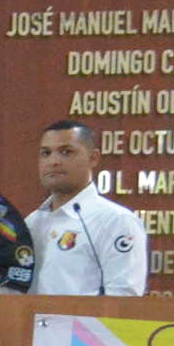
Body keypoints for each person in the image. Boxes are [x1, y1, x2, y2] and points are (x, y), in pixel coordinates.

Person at [29, 119, 148, 297]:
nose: (53, 161)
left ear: (93, 158)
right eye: (46, 153)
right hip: (27, 323)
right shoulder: (32, 222)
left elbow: (123, 299)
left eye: (66, 152)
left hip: (82, 325)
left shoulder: (115, 220)